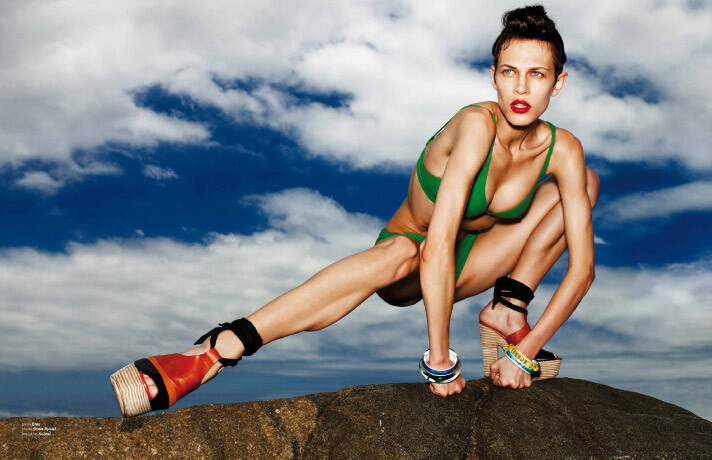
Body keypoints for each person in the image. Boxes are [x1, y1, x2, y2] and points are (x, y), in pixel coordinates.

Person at [110, 4, 598, 417]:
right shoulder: (476, 126)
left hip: (473, 260)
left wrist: (523, 354)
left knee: (583, 184)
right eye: (509, 72)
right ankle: (220, 348)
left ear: (558, 83)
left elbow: (582, 271)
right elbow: (436, 248)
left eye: (537, 74)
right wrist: (441, 360)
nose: (520, 89)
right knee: (402, 254)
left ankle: (508, 313)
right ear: (493, 75)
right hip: (411, 261)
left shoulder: (563, 149)